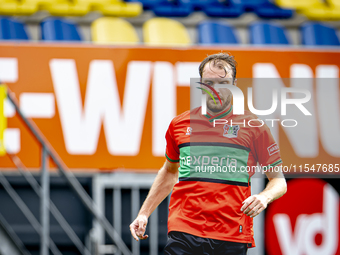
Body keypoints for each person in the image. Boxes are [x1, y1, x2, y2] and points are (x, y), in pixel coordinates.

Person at [130, 53, 287, 255]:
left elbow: (278, 181)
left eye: (223, 82)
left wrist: (264, 197)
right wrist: (144, 214)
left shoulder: (254, 127)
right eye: (209, 82)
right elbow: (169, 172)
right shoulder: (179, 124)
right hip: (184, 229)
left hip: (231, 234)